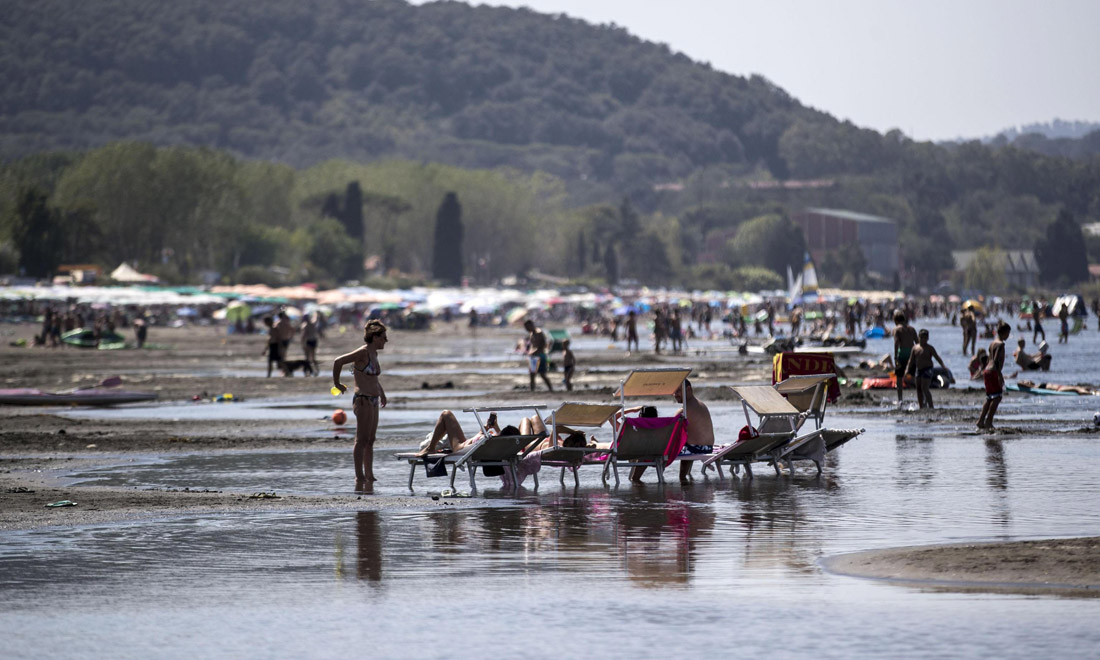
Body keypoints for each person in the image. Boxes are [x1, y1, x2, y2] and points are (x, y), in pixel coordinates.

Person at [332, 320, 389, 486]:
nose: (386, 341)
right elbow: (338, 361)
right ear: (375, 337)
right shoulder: (362, 353)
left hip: (374, 399)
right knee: (361, 439)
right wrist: (337, 383)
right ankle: (359, 476)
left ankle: (369, 475)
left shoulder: (374, 354)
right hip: (362, 399)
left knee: (371, 439)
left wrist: (382, 393)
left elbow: (373, 377)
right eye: (384, 337)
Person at [629, 380, 714, 483]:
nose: (675, 394)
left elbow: (668, 432)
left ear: (688, 389)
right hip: (707, 448)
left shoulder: (685, 410)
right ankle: (683, 479)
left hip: (695, 448)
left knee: (648, 452)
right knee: (675, 443)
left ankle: (635, 481)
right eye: (674, 392)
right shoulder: (700, 404)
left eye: (678, 391)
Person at [977, 321, 1011, 432]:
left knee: (989, 397)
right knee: (997, 397)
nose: (1008, 336)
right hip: (993, 371)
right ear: (1004, 332)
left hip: (987, 370)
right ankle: (988, 421)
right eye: (1008, 333)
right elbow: (996, 360)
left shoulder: (992, 343)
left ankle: (981, 420)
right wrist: (1000, 375)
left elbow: (988, 359)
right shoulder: (1000, 344)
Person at [907, 329, 947, 409]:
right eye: (922, 338)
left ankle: (931, 406)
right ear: (919, 338)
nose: (923, 340)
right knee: (918, 388)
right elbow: (911, 360)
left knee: (925, 388)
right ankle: (921, 406)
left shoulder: (930, 348)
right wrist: (907, 370)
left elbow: (937, 357)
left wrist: (943, 365)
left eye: (925, 338)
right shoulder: (915, 348)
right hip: (918, 370)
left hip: (927, 369)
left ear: (928, 338)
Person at [892, 311, 918, 405]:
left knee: (899, 379)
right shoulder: (912, 329)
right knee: (914, 378)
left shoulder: (896, 329)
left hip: (902, 354)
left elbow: (896, 343)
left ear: (895, 320)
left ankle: (900, 399)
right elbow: (918, 343)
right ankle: (921, 398)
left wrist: (895, 358)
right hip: (911, 355)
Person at [523, 319, 553, 392]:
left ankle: (551, 389)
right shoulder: (531, 333)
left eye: (527, 327)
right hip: (534, 356)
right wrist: (529, 352)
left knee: (542, 374)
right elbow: (533, 346)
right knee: (532, 374)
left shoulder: (539, 333)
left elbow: (542, 345)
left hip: (540, 356)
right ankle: (532, 390)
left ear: (531, 325)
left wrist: (534, 352)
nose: (526, 329)